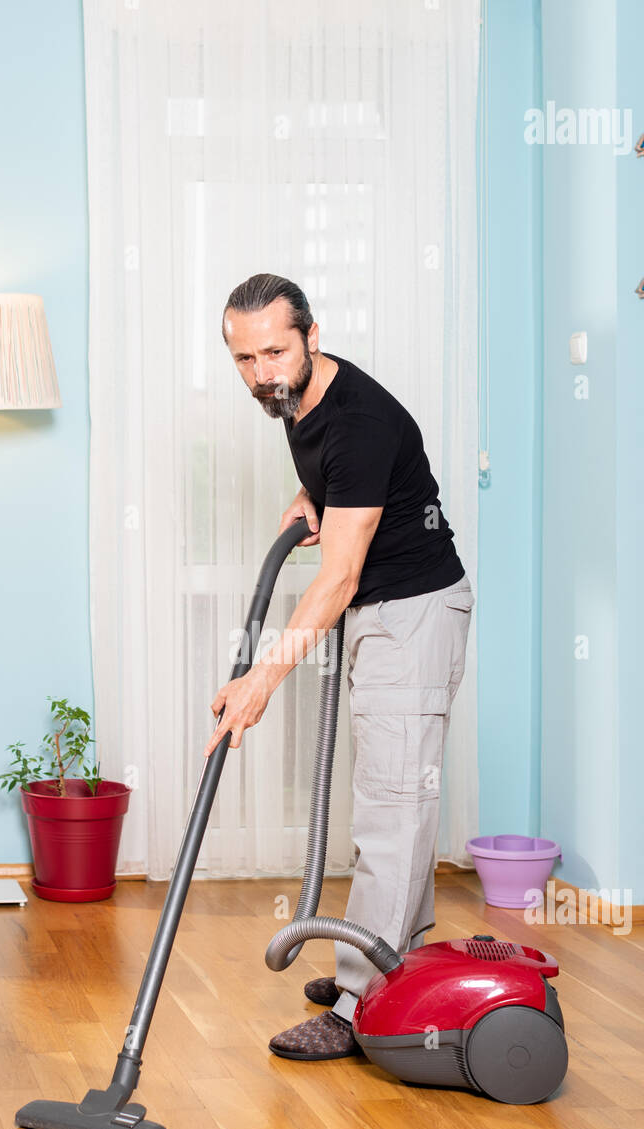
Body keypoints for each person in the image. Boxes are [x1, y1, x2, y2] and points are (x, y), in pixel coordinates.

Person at [206, 273, 474, 1060]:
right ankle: (396, 961)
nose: (263, 373)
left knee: (389, 808)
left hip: (410, 614)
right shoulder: (300, 395)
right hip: (385, 611)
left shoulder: (357, 420)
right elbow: (350, 477)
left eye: (276, 352)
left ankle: (361, 1008)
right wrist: (309, 490)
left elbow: (338, 577)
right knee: (393, 798)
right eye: (245, 358)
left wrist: (260, 680)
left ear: (312, 336)